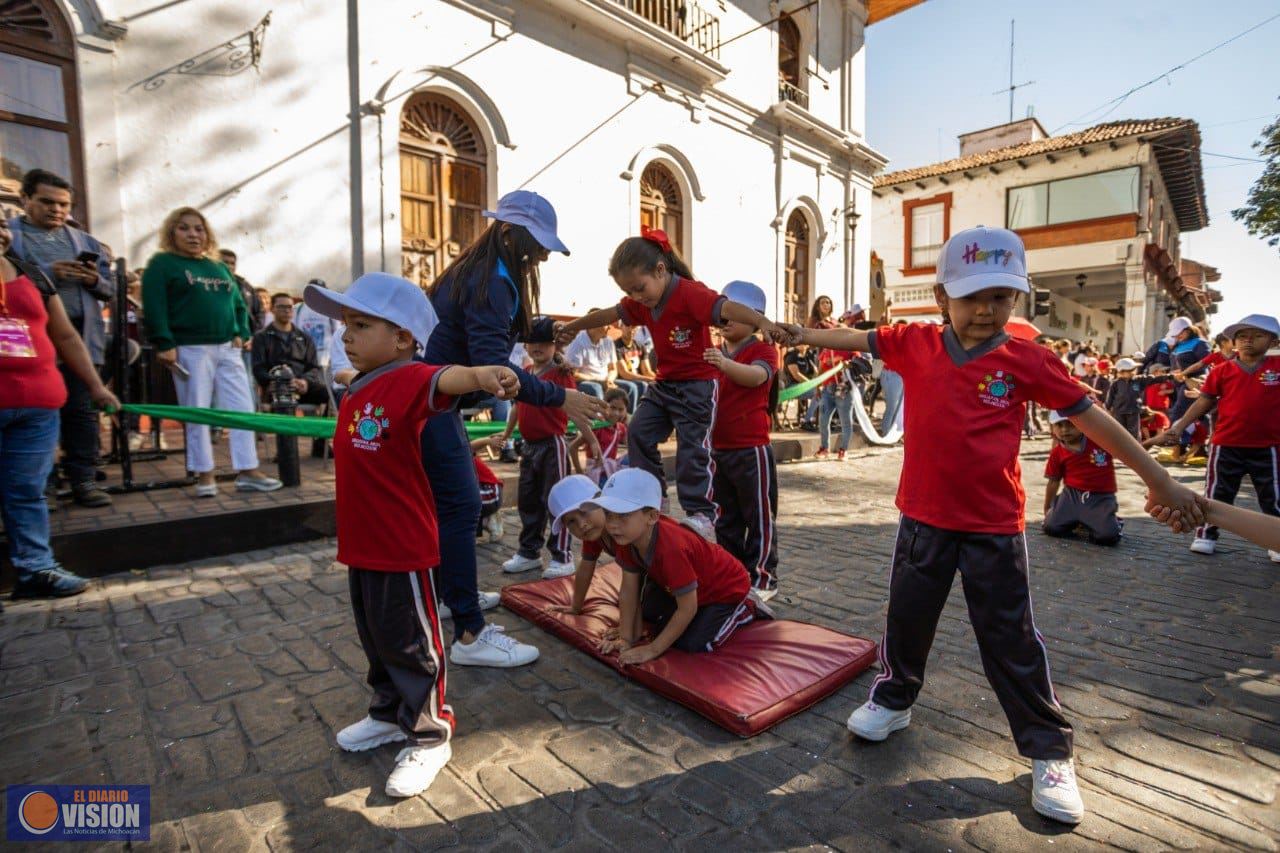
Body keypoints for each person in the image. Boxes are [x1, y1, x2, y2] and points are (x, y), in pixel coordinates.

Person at [781, 225, 1202, 826]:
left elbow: (1096, 420)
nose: (986, 310)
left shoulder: (1028, 359)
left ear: (1017, 298)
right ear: (940, 294)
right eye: (973, 295)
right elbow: (857, 337)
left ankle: (1049, 747)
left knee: (1009, 638)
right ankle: (894, 697)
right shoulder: (914, 343)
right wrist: (796, 332)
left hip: (993, 528)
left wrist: (1158, 478)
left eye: (1001, 296)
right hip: (922, 521)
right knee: (907, 618)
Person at [303, 272, 518, 799]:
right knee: (376, 639)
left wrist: (484, 373)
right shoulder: (359, 384)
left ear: (402, 337)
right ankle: (385, 712)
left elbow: (446, 378)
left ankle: (429, 734)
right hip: (363, 546)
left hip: (403, 548)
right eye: (344, 325)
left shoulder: (410, 378)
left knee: (413, 645)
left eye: (360, 323)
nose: (345, 334)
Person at [422, 189, 604, 668]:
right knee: (461, 506)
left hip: (436, 397)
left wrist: (547, 338)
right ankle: (467, 633)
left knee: (451, 508)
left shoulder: (478, 269)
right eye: (538, 243)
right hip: (433, 402)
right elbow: (493, 372)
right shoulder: (494, 281)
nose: (544, 253)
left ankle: (453, 597)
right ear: (508, 233)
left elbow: (494, 344)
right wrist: (559, 394)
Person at [555, 228, 785, 540]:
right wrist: (574, 326)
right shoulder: (642, 303)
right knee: (638, 432)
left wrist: (763, 323)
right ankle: (654, 498)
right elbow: (610, 312)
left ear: (660, 270)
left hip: (697, 387)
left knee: (693, 448)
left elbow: (727, 308)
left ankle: (701, 513)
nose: (638, 298)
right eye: (631, 292)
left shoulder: (690, 293)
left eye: (640, 288)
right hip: (664, 386)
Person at [1, 219, 120, 598]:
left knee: (27, 491)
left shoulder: (29, 272)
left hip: (37, 402)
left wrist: (96, 386)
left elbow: (66, 335)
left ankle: (36, 570)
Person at [141, 207, 282, 497]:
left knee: (243, 408)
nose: (193, 234)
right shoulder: (162, 264)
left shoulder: (217, 267)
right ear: (172, 232)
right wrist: (164, 342)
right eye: (184, 228)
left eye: (199, 228)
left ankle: (247, 471)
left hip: (227, 348)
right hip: (189, 349)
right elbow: (155, 305)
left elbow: (239, 305)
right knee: (198, 411)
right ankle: (205, 476)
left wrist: (241, 332)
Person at [7, 169, 115, 508]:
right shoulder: (9, 235)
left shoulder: (87, 242)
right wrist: (47, 273)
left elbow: (110, 291)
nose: (57, 210)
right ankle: (44, 485)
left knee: (81, 411)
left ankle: (83, 479)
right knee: (34, 412)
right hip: (25, 340)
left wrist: (93, 279)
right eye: (47, 202)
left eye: (64, 204)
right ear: (25, 199)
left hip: (81, 336)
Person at [591, 468, 765, 662]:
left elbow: (688, 608)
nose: (613, 525)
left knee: (692, 643)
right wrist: (626, 637)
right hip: (688, 589)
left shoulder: (671, 549)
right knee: (650, 613)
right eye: (608, 514)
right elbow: (628, 592)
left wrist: (652, 650)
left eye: (623, 515)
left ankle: (746, 607)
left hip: (725, 590)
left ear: (652, 517)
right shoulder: (626, 537)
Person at [1150, 314, 1280, 562]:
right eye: (1242, 336)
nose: (1248, 341)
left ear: (1273, 341)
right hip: (1226, 445)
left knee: (1272, 496)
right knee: (1216, 493)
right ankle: (1206, 534)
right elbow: (1204, 401)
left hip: (1269, 446)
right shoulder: (1221, 371)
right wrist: (1179, 426)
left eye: (1257, 336)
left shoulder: (1277, 368)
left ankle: (1275, 539)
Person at [494, 316, 589, 580]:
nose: (537, 347)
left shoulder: (561, 373)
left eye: (543, 342)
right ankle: (529, 551)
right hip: (529, 446)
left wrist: (590, 438)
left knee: (556, 499)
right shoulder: (524, 371)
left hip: (552, 444)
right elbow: (516, 407)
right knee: (529, 500)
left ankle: (562, 555)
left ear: (553, 345)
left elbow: (576, 406)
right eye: (531, 342)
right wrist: (506, 434)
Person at [703, 281, 780, 600]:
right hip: (718, 449)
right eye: (724, 311)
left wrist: (724, 365)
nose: (727, 317)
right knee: (726, 517)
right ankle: (733, 571)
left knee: (759, 515)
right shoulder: (714, 351)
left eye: (736, 312)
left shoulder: (763, 350)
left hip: (752, 449)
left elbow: (758, 377)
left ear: (756, 319)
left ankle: (764, 577)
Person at [1042, 410, 1122, 546]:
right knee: (1051, 528)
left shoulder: (1100, 441)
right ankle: (1074, 516)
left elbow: (1127, 447)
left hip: (1101, 496)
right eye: (1059, 425)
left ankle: (1113, 521)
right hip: (1072, 495)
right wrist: (1047, 509)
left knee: (1107, 537)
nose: (1065, 430)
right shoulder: (1057, 453)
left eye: (1071, 424)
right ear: (1052, 428)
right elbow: (1053, 482)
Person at [546, 474, 617, 616]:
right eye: (571, 521)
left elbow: (633, 579)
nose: (581, 524)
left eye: (584, 512)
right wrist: (575, 606)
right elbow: (585, 567)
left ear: (600, 500)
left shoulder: (620, 527)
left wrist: (626, 631)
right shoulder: (594, 532)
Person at [251, 292, 328, 405]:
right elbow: (258, 368)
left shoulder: (305, 338)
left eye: (289, 307)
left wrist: (304, 381)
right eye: (282, 307)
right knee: (281, 392)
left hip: (300, 386)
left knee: (327, 393)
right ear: (272, 309)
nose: (287, 310)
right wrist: (272, 381)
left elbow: (313, 368)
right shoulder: (261, 337)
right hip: (275, 386)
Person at [570, 387, 629, 485]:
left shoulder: (621, 428)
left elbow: (632, 447)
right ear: (603, 406)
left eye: (621, 409)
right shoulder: (596, 427)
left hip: (610, 470)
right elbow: (573, 447)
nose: (616, 413)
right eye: (612, 407)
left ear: (626, 410)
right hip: (598, 473)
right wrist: (580, 472)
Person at [815, 344, 855, 461]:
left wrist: (848, 365)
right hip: (828, 389)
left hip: (844, 390)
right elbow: (821, 368)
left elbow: (858, 364)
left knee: (845, 421)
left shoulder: (851, 348)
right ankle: (824, 448)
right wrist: (817, 386)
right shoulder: (827, 349)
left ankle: (843, 450)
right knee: (823, 420)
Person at [294, 279, 340, 369]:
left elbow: (337, 333)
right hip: (302, 358)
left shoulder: (330, 308)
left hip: (324, 359)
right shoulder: (298, 309)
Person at [468, 437, 505, 541]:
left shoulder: (456, 449)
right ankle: (482, 521)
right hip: (482, 491)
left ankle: (488, 518)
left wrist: (488, 441)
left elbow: (469, 447)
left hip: (491, 492)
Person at [1103, 357, 1147, 439]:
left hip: (1133, 411)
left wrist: (1170, 376)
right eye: (1130, 370)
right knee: (1120, 432)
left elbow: (1154, 379)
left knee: (1134, 433)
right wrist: (1107, 408)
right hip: (1119, 412)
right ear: (1121, 372)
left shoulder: (1138, 380)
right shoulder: (1116, 383)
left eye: (1133, 370)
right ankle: (1120, 449)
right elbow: (1110, 397)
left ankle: (1135, 449)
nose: (1132, 372)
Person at [782, 343, 819, 429]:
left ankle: (820, 421)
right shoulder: (792, 355)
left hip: (806, 386)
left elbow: (814, 373)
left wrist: (817, 375)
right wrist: (811, 384)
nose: (800, 344)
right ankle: (806, 421)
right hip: (793, 387)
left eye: (803, 342)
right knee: (817, 393)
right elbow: (796, 375)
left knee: (824, 391)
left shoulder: (808, 355)